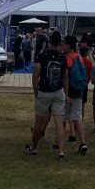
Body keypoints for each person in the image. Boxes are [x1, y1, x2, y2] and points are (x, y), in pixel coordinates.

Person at [25, 30, 68, 159]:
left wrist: (35, 91)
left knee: (39, 121)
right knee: (59, 123)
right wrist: (65, 92)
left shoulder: (41, 56)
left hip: (44, 90)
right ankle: (61, 151)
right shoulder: (62, 58)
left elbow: (35, 75)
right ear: (60, 42)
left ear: (49, 41)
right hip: (58, 91)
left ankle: (34, 148)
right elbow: (65, 77)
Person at [63, 35, 89, 155]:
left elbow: (66, 77)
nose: (63, 46)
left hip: (69, 91)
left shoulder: (67, 58)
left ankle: (59, 141)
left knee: (62, 116)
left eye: (64, 44)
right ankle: (83, 142)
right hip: (79, 90)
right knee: (77, 117)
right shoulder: (79, 57)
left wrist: (66, 93)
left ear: (69, 45)